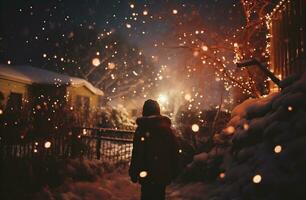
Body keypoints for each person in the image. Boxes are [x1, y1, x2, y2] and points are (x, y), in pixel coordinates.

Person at [129, 99, 180, 200]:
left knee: (147, 195)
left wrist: (134, 172)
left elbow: (137, 153)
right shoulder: (166, 129)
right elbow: (174, 150)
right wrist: (174, 170)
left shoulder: (142, 129)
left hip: (146, 172)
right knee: (160, 195)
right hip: (162, 172)